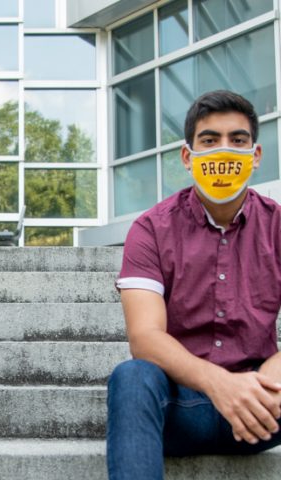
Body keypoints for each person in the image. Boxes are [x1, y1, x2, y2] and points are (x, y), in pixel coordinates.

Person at [107, 90, 281, 479]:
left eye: (237, 140)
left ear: (255, 155)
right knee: (132, 377)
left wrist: (258, 390)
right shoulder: (151, 229)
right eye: (209, 140)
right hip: (181, 408)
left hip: (262, 404)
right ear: (188, 156)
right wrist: (220, 385)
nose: (224, 151)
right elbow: (145, 338)